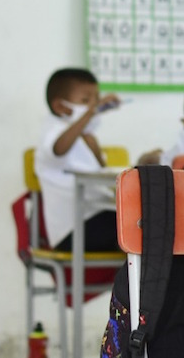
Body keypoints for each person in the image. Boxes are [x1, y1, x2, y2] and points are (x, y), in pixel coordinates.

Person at [34, 67, 122, 251]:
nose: (93, 107)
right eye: (85, 101)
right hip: (73, 229)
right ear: (60, 106)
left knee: (145, 225)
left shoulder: (85, 137)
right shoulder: (53, 131)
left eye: (96, 100)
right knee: (140, 228)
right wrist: (90, 113)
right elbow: (58, 150)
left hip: (97, 216)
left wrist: (95, 150)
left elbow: (102, 173)